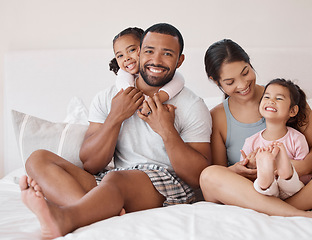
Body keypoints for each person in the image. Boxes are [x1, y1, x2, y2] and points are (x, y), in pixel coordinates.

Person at [19, 23, 212, 239]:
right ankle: (96, 212)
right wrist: (115, 117)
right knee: (37, 159)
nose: (156, 60)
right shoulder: (107, 97)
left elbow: (198, 178)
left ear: (180, 60)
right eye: (149, 51)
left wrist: (167, 130)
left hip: (166, 184)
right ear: (139, 52)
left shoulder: (192, 105)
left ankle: (67, 218)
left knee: (116, 181)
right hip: (115, 178)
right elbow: (92, 164)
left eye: (167, 54)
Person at [200, 39, 312, 220]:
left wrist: (298, 168)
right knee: (209, 175)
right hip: (251, 189)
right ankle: (294, 212)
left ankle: (279, 209)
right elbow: (221, 169)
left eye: (245, 72)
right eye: (230, 82)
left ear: (249, 63)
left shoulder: (282, 95)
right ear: (215, 81)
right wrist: (239, 170)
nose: (242, 85)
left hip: (293, 185)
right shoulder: (217, 116)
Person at [241, 79, 309, 202]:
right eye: (266, 97)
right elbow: (243, 176)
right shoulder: (251, 142)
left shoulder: (297, 139)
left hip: (292, 192)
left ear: (292, 110)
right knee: (261, 186)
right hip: (264, 194)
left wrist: (282, 172)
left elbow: (306, 176)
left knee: (293, 184)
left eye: (279, 98)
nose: (271, 101)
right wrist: (250, 165)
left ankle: (285, 171)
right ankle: (266, 175)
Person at [109, 27, 185, 116]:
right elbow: (130, 95)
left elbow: (179, 79)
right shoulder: (123, 75)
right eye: (120, 55)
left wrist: (156, 100)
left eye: (131, 50)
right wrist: (148, 104)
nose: (126, 58)